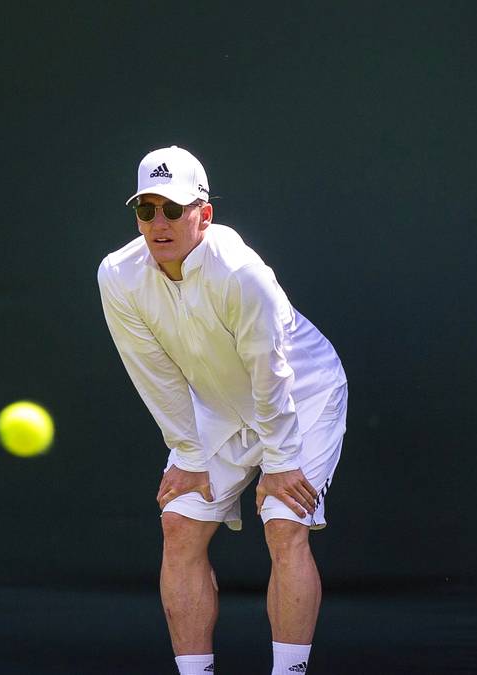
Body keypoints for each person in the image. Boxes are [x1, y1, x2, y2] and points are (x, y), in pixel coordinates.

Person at [98, 145, 347, 675]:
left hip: (302, 395)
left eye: (173, 209)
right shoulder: (118, 276)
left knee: (284, 523)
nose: (158, 222)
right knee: (179, 526)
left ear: (203, 215)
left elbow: (270, 372)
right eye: (146, 209)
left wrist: (281, 462)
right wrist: (187, 450)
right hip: (218, 406)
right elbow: (154, 373)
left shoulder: (240, 273)